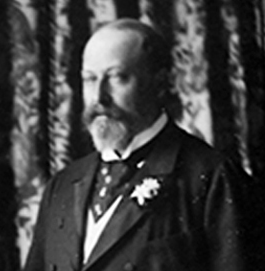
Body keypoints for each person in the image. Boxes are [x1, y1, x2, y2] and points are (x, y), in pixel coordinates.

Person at [24, 18, 253, 271]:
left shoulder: (213, 179)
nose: (99, 97)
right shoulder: (62, 186)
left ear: (160, 82)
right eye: (89, 79)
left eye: (117, 77)